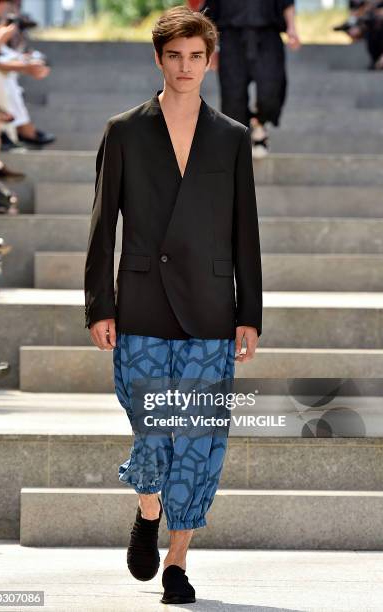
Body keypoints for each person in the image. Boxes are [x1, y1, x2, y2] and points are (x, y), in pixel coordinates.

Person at [84, 5, 262, 605]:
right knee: (153, 436)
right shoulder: (125, 130)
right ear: (158, 59)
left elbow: (246, 232)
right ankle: (147, 509)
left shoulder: (232, 137)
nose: (185, 67)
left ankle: (179, 563)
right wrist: (98, 305)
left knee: (201, 440)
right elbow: (101, 224)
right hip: (141, 305)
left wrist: (250, 312)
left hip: (211, 309)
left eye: (196, 57)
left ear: (210, 62)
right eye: (174, 56)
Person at [200, 0, 301, 158]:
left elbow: (286, 2)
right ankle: (241, 142)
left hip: (269, 36)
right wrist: (210, 47)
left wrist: (292, 28)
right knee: (233, 97)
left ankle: (259, 124)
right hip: (231, 39)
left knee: (271, 91)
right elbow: (209, 11)